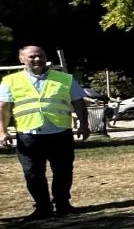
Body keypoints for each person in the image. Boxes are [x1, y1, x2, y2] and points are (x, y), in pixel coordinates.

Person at [0, 45, 90, 219]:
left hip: (59, 132)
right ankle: (42, 207)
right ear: (21, 59)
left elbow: (79, 102)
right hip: (29, 135)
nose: (36, 59)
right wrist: (2, 131)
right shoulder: (10, 81)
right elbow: (3, 108)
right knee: (33, 173)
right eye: (32, 56)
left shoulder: (64, 78)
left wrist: (83, 125)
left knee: (63, 171)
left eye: (40, 55)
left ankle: (63, 205)